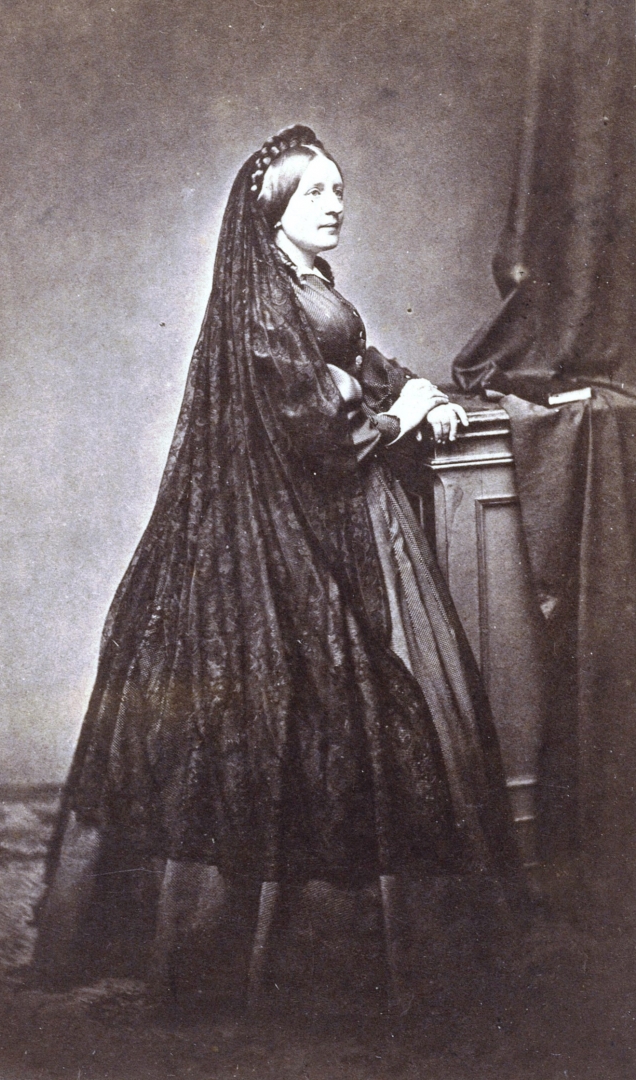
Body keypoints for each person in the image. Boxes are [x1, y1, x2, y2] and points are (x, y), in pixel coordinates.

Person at [33, 125, 524, 1016]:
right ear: (272, 210)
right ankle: (275, 947)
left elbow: (354, 365)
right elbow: (314, 429)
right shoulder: (263, 305)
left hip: (341, 510)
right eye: (315, 192)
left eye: (339, 188)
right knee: (289, 705)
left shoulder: (307, 282)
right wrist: (399, 417)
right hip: (281, 526)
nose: (335, 203)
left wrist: (406, 389)